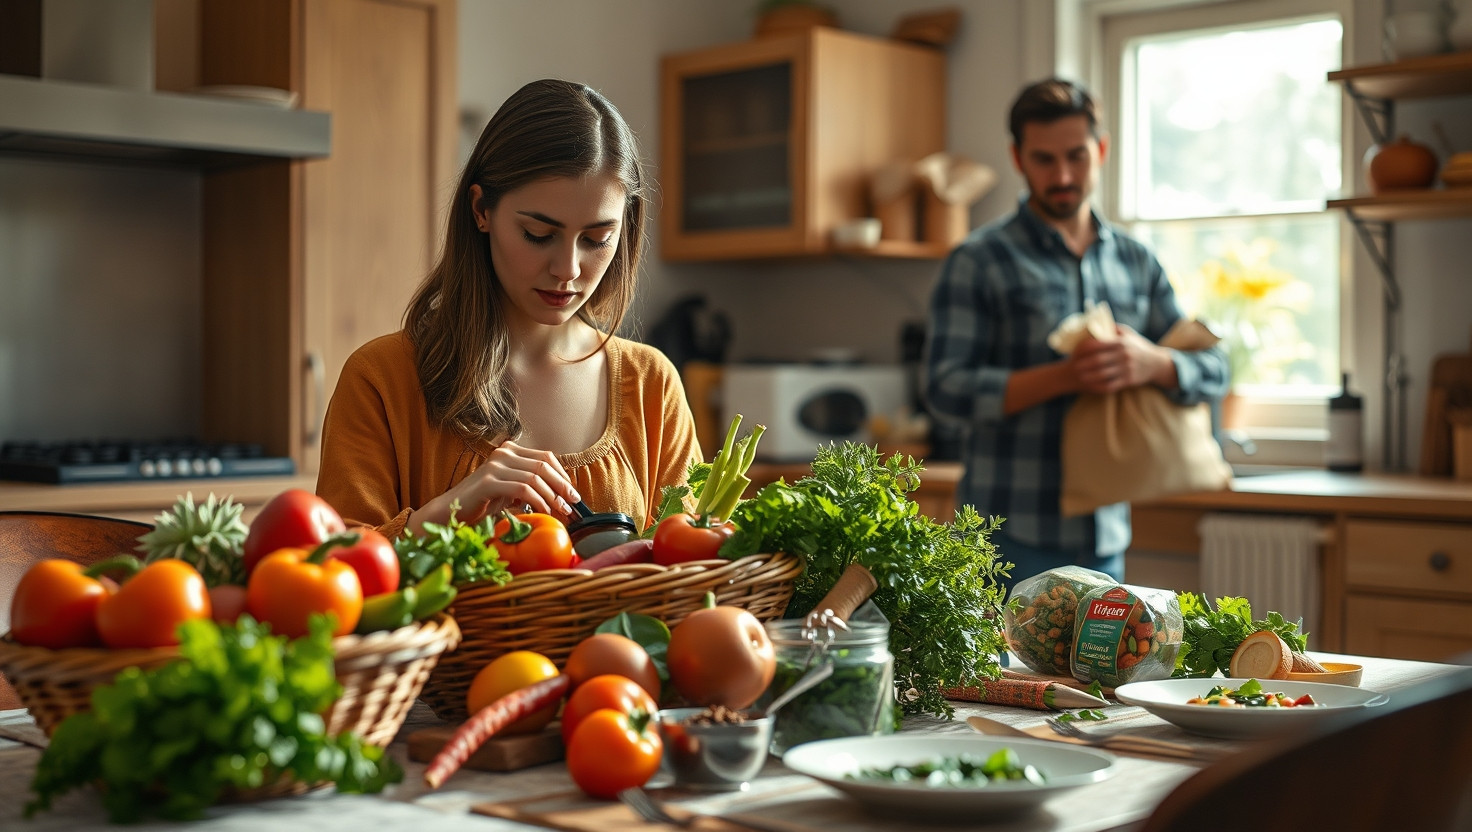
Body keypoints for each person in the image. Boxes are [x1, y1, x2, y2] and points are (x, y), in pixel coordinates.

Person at [316, 79, 702, 539]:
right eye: (539, 234)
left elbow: (698, 566)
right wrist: (450, 511)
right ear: (481, 210)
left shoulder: (651, 384)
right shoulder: (380, 379)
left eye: (598, 239)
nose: (568, 269)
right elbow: (333, 568)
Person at [923, 78, 1227, 590]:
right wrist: (1065, 377)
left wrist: (1152, 363)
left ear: (1101, 150)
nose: (1062, 175)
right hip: (1001, 539)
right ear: (1017, 158)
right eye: (1044, 159)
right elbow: (944, 389)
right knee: (998, 675)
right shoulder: (978, 260)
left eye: (1076, 156)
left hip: (1105, 537)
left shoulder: (1136, 261)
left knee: (1099, 674)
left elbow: (1215, 369)